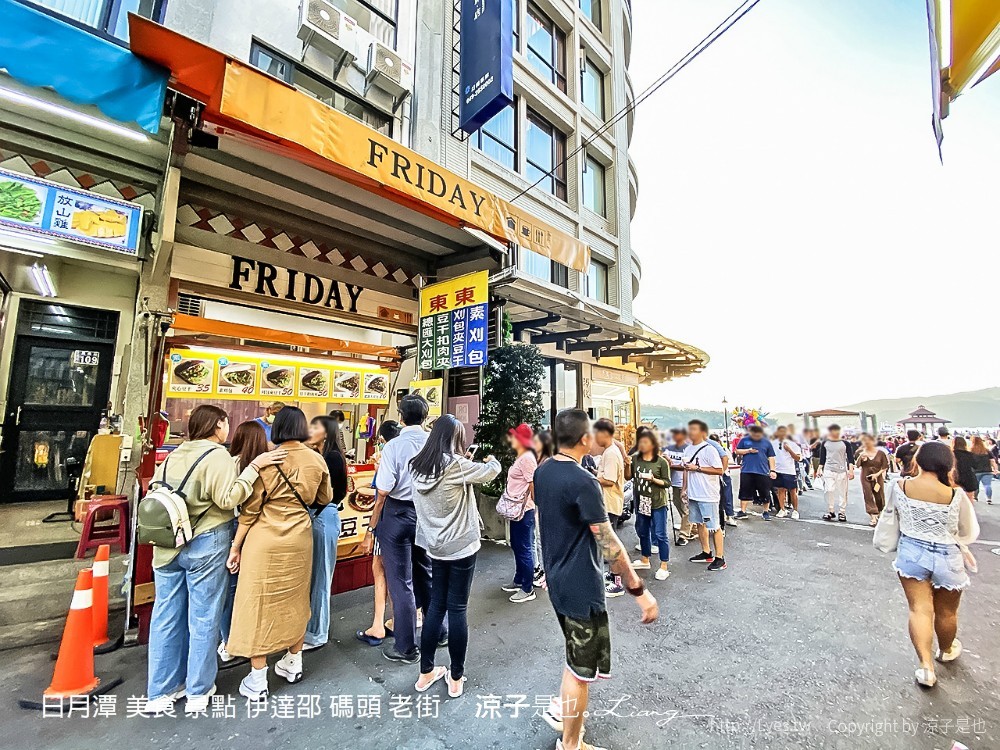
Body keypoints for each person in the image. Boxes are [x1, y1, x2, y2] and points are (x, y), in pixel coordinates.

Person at [144, 406, 283, 715]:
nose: (226, 428)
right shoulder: (216, 455)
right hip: (205, 543)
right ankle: (197, 689)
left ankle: (162, 690)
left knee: (166, 616)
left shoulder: (174, 455)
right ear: (217, 425)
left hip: (167, 546)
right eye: (224, 423)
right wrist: (254, 467)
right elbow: (227, 499)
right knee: (204, 615)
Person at [536, 409, 658, 750]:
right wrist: (639, 590)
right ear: (584, 439)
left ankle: (566, 717)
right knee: (581, 672)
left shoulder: (544, 471)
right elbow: (609, 543)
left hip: (557, 579)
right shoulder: (582, 480)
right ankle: (572, 744)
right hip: (580, 586)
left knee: (574, 658)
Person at [227, 407, 333, 700]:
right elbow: (325, 498)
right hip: (300, 539)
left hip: (265, 541)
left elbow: (249, 512)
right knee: (296, 599)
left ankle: (258, 678)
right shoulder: (316, 460)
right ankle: (293, 662)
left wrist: (235, 547)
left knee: (257, 604)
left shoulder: (268, 461)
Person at [410, 415, 501, 697]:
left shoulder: (416, 466)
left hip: (435, 547)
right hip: (462, 547)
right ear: (454, 438)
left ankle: (426, 673)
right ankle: (456, 677)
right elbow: (491, 472)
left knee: (435, 607)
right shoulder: (456, 466)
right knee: (458, 608)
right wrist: (491, 459)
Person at [879, 442, 979, 687]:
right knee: (946, 612)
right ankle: (946, 649)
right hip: (947, 555)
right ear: (948, 464)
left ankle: (925, 668)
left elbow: (891, 515)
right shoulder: (955, 494)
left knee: (919, 609)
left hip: (911, 551)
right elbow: (968, 531)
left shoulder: (900, 486)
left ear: (917, 461)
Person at [365, 394, 435, 664]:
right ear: (425, 416)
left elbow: (382, 492)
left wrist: (372, 528)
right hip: (426, 512)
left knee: (401, 581)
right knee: (426, 572)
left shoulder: (394, 446)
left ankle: (407, 647)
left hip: (397, 513)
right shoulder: (434, 443)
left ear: (402, 416)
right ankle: (438, 631)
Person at [219, 420, 275, 664]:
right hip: (263, 531)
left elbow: (227, 502)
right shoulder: (270, 465)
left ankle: (230, 641)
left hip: (235, 528)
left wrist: (234, 546)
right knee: (256, 588)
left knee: (230, 589)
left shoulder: (228, 464)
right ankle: (254, 639)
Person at [304, 415, 348, 650]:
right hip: (322, 517)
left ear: (327, 433)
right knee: (316, 577)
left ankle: (317, 634)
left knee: (320, 578)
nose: (310, 430)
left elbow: (323, 493)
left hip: (323, 517)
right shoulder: (323, 455)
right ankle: (312, 629)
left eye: (316, 427)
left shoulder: (329, 458)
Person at [357, 420, 402, 646]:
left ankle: (377, 625)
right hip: (406, 524)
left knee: (379, 570)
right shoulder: (408, 454)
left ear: (383, 440)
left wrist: (370, 531)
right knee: (399, 573)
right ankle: (396, 621)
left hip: (386, 523)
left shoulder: (387, 458)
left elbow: (380, 496)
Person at [502, 423, 539, 603]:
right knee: (518, 546)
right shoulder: (523, 456)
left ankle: (527, 587)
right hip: (518, 510)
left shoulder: (526, 459)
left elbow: (532, 483)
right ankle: (519, 580)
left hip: (524, 510)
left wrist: (536, 504)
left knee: (523, 547)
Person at [684, 420, 728, 571]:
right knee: (699, 523)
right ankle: (706, 552)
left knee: (714, 526)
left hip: (708, 494)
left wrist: (697, 468)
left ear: (702, 432)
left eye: (694, 429)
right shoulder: (688, 449)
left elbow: (719, 470)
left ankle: (720, 558)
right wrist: (685, 488)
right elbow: (686, 469)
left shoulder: (710, 449)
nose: (690, 432)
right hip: (694, 493)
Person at [630, 430, 671, 580]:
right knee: (643, 531)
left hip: (658, 501)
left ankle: (664, 565)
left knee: (660, 534)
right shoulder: (635, 459)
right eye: (640, 442)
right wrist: (626, 464)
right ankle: (645, 559)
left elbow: (667, 483)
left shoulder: (661, 462)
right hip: (642, 501)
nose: (642, 445)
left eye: (645, 442)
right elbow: (630, 477)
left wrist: (654, 479)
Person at [593, 418, 626, 597]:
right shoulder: (609, 452)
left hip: (610, 503)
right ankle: (614, 575)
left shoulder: (611, 453)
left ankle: (617, 582)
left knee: (610, 544)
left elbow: (610, 480)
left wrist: (591, 479)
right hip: (609, 502)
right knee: (608, 543)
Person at [734, 424, 776, 520]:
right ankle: (743, 511)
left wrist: (773, 470)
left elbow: (771, 457)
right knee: (744, 491)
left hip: (763, 471)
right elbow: (737, 451)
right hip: (747, 470)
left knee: (765, 492)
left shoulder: (766, 442)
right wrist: (748, 451)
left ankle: (766, 511)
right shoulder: (745, 440)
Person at [531, 429, 555, 586]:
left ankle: (549, 573)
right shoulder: (539, 460)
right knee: (539, 540)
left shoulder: (547, 463)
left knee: (543, 540)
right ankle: (546, 571)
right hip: (540, 507)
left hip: (545, 507)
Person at [818, 424, 855, 522]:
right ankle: (831, 510)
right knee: (829, 490)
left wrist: (850, 470)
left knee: (842, 492)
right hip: (828, 469)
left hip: (841, 470)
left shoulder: (845, 443)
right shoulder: (825, 443)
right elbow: (822, 457)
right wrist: (819, 468)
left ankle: (842, 512)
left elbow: (850, 458)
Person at [664, 428, 693, 545]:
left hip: (685, 482)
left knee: (686, 508)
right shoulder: (669, 448)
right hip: (674, 482)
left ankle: (684, 534)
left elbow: (687, 466)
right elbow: (663, 457)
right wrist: (666, 459)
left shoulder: (688, 449)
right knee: (677, 504)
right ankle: (692, 526)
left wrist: (673, 465)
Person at [856, 433, 889, 526]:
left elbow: (885, 466)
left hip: (877, 477)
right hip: (865, 476)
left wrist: (877, 474)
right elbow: (857, 465)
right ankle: (873, 515)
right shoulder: (861, 452)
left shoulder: (880, 453)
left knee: (879, 495)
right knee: (868, 495)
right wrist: (861, 458)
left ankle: (880, 511)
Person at [770, 425, 801, 519]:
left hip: (789, 470)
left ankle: (795, 510)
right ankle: (782, 509)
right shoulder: (773, 443)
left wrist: (789, 450)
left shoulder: (792, 444)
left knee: (792, 491)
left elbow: (798, 458)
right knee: (780, 490)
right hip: (778, 470)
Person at [708, 433, 737, 527]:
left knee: (727, 496)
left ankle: (730, 516)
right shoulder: (708, 450)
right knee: (716, 498)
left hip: (724, 475)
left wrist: (722, 470)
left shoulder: (723, 449)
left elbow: (729, 460)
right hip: (712, 475)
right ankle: (718, 519)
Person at [970, 436, 997, 504]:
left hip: (975, 471)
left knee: (976, 485)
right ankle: (989, 499)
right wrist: (995, 469)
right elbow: (992, 461)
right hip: (987, 471)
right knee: (987, 485)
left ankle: (975, 497)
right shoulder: (986, 451)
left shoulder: (970, 451)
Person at [952, 437, 979, 502]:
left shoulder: (951, 454)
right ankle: (969, 511)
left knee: (955, 499)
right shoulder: (970, 454)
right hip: (969, 477)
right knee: (969, 499)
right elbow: (975, 466)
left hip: (955, 477)